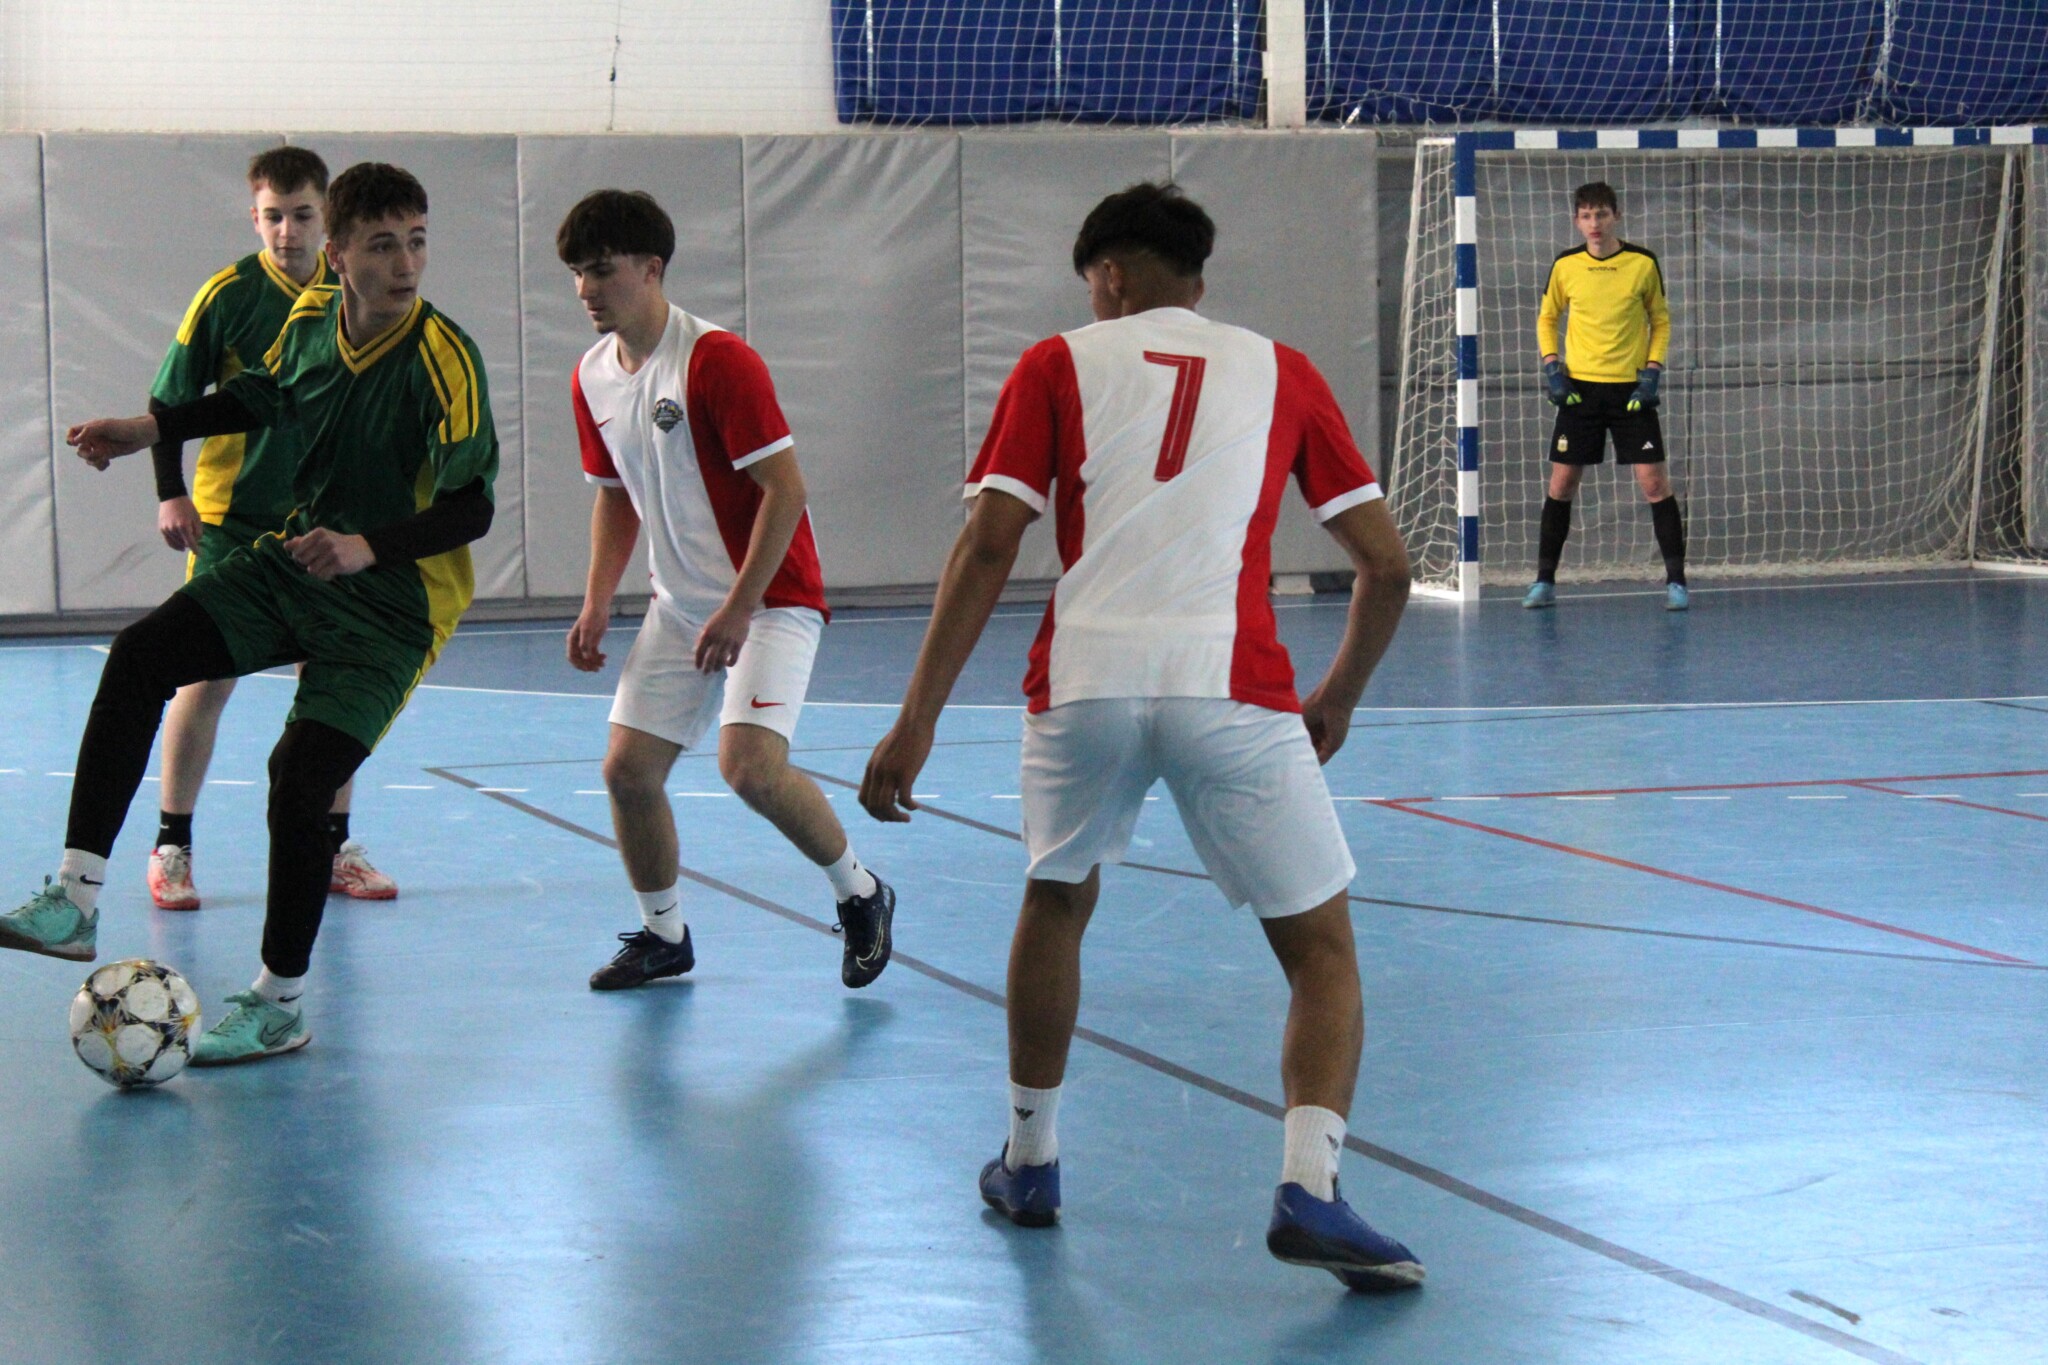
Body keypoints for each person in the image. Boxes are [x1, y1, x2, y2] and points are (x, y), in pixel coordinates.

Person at [859, 183, 1423, 1290]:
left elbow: (987, 545)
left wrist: (916, 718)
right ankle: (1309, 1186)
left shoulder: (1056, 364)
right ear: (1197, 279)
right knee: (1319, 953)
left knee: (1056, 900)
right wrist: (1338, 697)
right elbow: (1389, 566)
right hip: (1234, 685)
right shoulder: (1283, 369)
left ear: (1109, 275)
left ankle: (1029, 1162)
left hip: (1088, 679)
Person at [3, 162, 497, 1066]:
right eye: (383, 245)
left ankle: (279, 1002)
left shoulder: (445, 357)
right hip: (296, 564)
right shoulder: (310, 317)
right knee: (140, 654)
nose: (406, 264)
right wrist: (150, 430)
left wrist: (366, 546)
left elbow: (473, 509)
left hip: (394, 607)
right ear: (339, 256)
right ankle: (75, 897)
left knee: (298, 777)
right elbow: (263, 395)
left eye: (417, 241)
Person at [558, 189, 893, 993]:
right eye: (576, 274)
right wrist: (597, 599)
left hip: (770, 599)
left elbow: (786, 488)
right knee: (627, 772)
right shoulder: (592, 376)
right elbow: (613, 495)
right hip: (679, 607)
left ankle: (862, 893)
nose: (586, 290)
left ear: (652, 268)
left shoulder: (716, 361)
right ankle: (663, 935)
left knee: (749, 767)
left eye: (601, 271)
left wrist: (740, 607)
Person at [143, 145, 396, 912]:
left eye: (303, 215)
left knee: (335, 681)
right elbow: (170, 401)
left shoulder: (353, 294)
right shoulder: (226, 296)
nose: (288, 231)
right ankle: (172, 844)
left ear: (328, 220)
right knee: (206, 678)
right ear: (254, 218)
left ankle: (333, 846)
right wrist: (171, 493)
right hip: (234, 521)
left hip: (322, 523)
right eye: (274, 216)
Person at [1522, 181, 1688, 611]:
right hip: (1580, 392)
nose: (1594, 223)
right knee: (1561, 484)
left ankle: (1676, 583)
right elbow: (1546, 318)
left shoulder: (1642, 263)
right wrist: (1552, 368)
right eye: (1586, 216)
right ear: (1576, 221)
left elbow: (1660, 321)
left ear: (1616, 216)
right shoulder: (1566, 265)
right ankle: (1544, 581)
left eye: (1601, 214)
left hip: (1631, 391)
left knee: (1655, 484)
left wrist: (1652, 374)